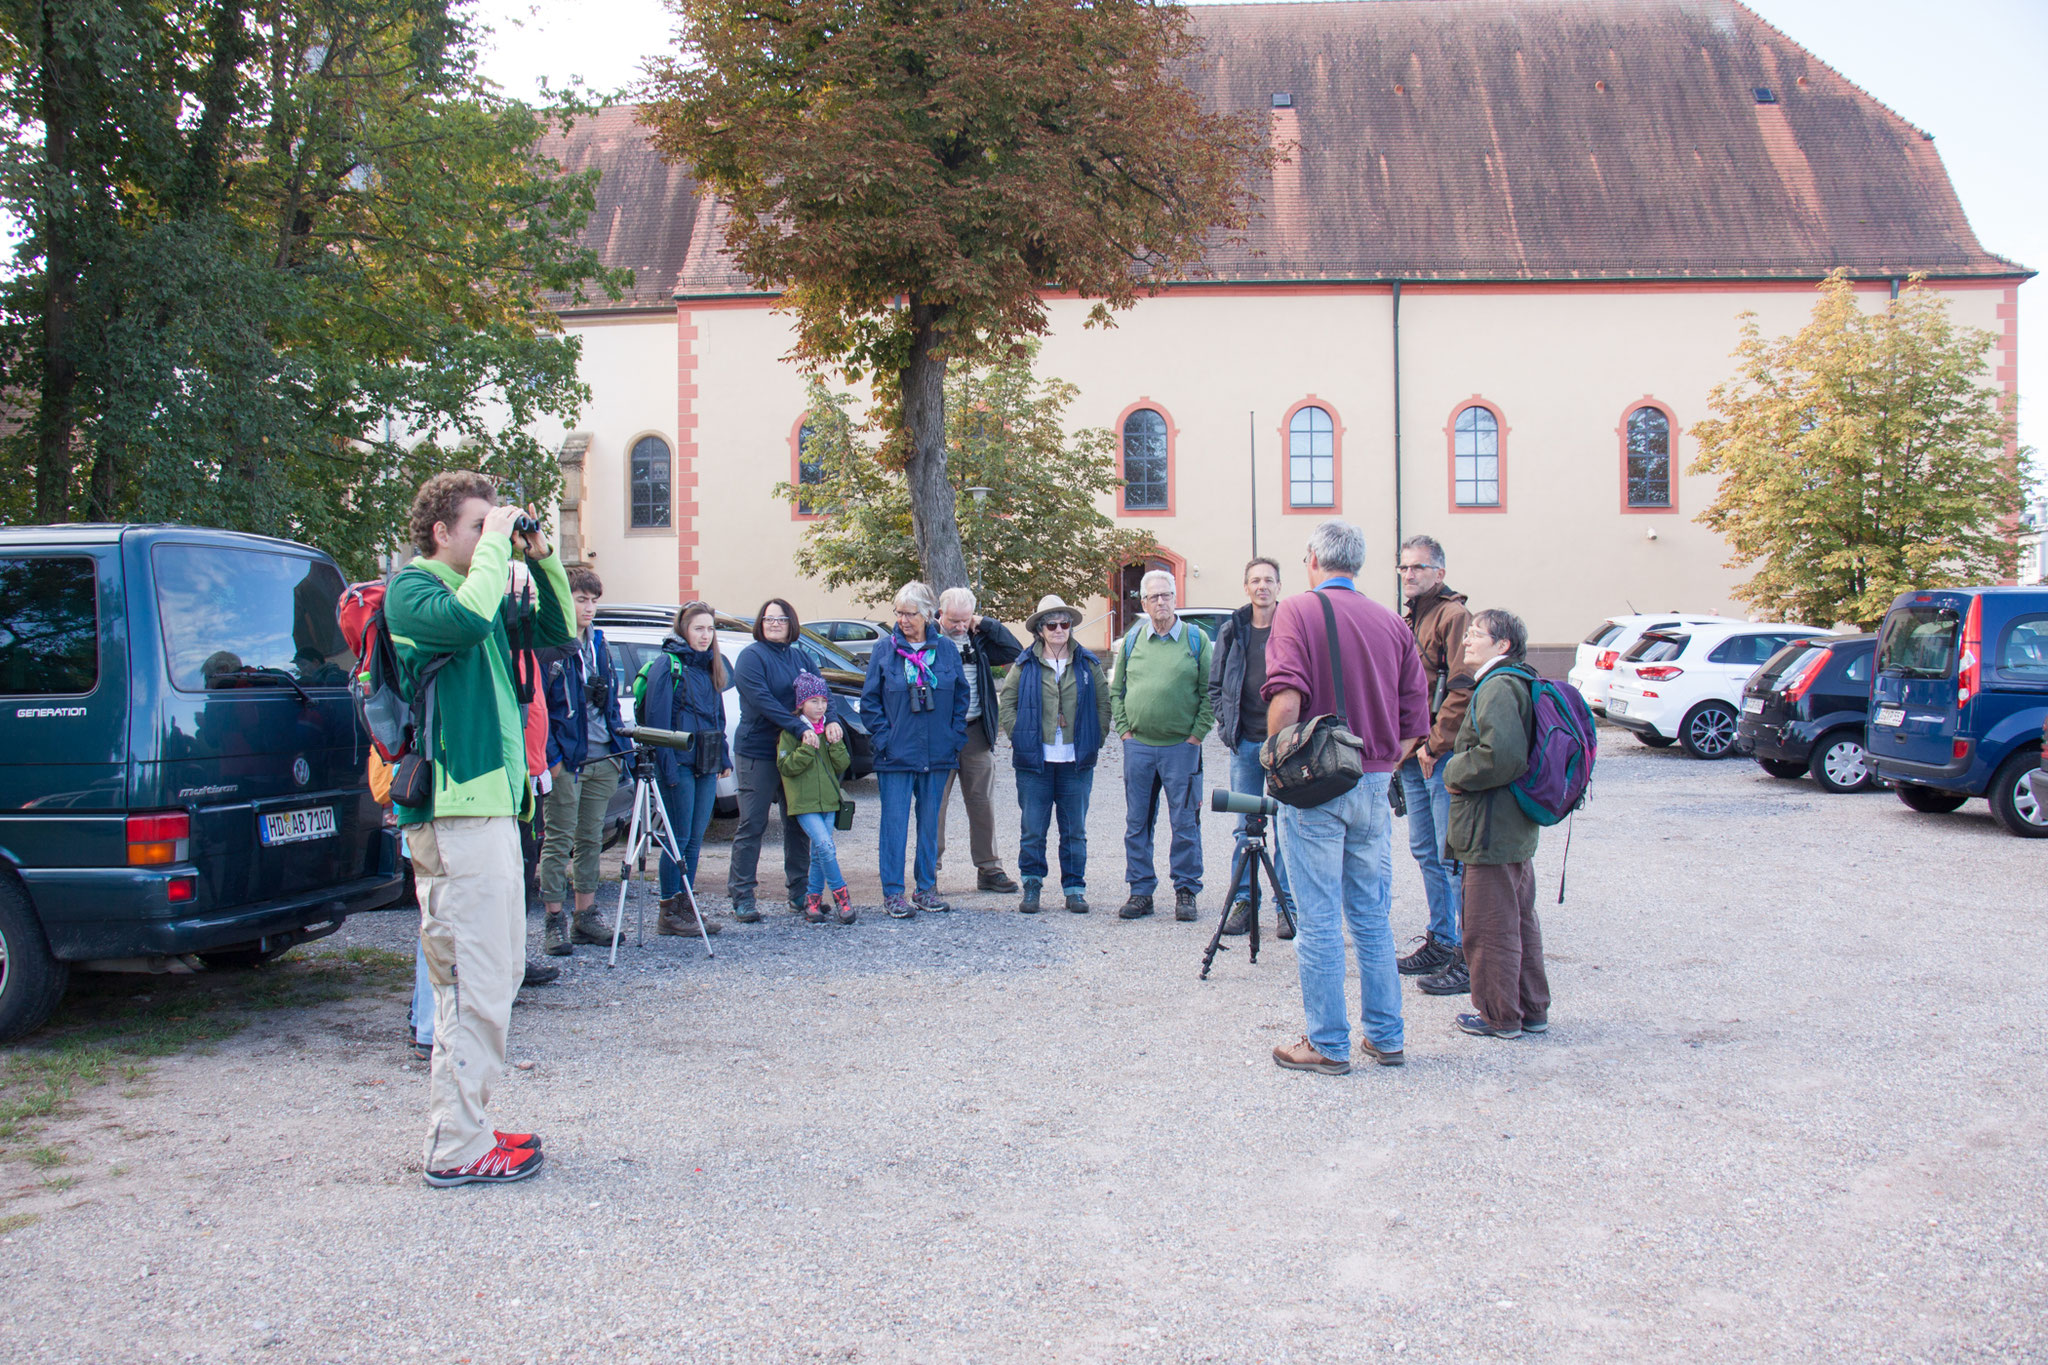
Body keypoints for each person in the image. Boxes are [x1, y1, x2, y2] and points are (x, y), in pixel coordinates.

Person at [384, 470, 573, 1186]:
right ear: (441, 532)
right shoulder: (416, 590)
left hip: (490, 807)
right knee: (472, 979)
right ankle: (457, 1146)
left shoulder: (481, 584)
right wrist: (498, 547)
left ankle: (468, 1125)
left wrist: (538, 551)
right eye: (476, 525)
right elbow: (463, 622)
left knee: (496, 973)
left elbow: (558, 629)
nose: (487, 535)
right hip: (452, 810)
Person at [1262, 519, 1429, 1076]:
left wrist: (1274, 759)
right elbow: (1415, 721)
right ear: (1356, 564)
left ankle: (1329, 1042)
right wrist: (1381, 764)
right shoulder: (1391, 620)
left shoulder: (1298, 611)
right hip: (1375, 780)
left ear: (1313, 558)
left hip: (1316, 781)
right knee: (1371, 916)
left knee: (1317, 918)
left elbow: (1286, 697)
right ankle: (1386, 1036)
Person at [1442, 609, 1551, 1040]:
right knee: (1518, 919)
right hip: (1509, 826)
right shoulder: (1515, 681)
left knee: (1488, 927)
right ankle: (1530, 1009)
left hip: (1490, 826)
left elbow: (1501, 756)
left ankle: (1500, 1016)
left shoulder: (1498, 687)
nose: (1467, 639)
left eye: (1477, 633)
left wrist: (1454, 770)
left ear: (1502, 645)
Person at [1392, 534, 1476, 995]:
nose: (1409, 574)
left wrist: (1434, 745)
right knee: (1426, 852)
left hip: (1438, 758)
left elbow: (1462, 687)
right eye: (1404, 568)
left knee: (1451, 858)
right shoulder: (1412, 617)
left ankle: (1467, 953)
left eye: (1418, 568)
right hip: (1411, 755)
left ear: (1439, 573)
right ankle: (1441, 940)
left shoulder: (1453, 615)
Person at [729, 598, 842, 922]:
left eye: (781, 619)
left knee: (798, 822)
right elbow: (762, 700)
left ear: (791, 623)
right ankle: (742, 896)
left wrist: (830, 718)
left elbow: (823, 694)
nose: (774, 623)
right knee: (753, 823)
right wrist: (800, 725)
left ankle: (800, 893)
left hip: (798, 750)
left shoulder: (801, 656)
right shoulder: (751, 657)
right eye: (768, 618)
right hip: (759, 751)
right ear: (760, 623)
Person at [997, 595, 1112, 914]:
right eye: (1052, 624)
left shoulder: (1087, 663)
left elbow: (1104, 703)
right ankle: (1031, 885)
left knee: (1074, 829)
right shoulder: (1024, 663)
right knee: (1033, 827)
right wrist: (1019, 736)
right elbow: (1007, 703)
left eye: (1065, 623)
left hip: (1076, 763)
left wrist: (1095, 739)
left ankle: (1074, 888)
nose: (1060, 629)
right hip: (1035, 763)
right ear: (1040, 630)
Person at [1110, 569, 1214, 922]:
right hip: (1138, 747)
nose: (1161, 602)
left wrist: (1196, 737)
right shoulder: (1133, 641)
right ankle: (1140, 891)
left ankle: (1186, 890)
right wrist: (1125, 732)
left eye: (1166, 595)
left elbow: (1210, 694)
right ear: (1144, 602)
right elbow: (1116, 690)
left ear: (1175, 597)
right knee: (1137, 822)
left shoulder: (1196, 640)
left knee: (1184, 822)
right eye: (1153, 597)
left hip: (1181, 749)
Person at [861, 580, 968, 918]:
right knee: (894, 825)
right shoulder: (884, 650)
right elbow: (870, 703)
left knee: (929, 824)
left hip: (937, 753)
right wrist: (885, 740)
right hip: (896, 754)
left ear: (927, 615)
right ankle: (893, 893)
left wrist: (953, 737)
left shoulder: (947, 649)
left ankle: (926, 888)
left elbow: (961, 697)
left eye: (910, 614)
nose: (903, 620)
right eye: (899, 613)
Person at [536, 566, 628, 955]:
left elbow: (610, 698)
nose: (589, 607)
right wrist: (552, 761)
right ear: (564, 599)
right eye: (581, 599)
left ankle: (585, 917)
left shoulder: (599, 642)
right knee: (558, 840)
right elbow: (537, 706)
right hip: (566, 762)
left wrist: (616, 749)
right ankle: (553, 920)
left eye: (593, 600)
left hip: (602, 755)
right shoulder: (551, 645)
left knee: (591, 838)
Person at [633, 601, 731, 937]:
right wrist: (668, 771)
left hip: (705, 763)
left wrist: (725, 758)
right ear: (684, 630)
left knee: (694, 838)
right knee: (679, 837)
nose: (705, 635)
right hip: (678, 765)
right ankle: (668, 910)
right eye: (698, 628)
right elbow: (658, 725)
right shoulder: (667, 665)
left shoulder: (709, 667)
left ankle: (685, 905)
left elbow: (716, 718)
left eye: (710, 629)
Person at [1210, 557, 1293, 935]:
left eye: (1269, 580)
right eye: (1255, 580)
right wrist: (1227, 728)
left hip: (1287, 746)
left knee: (1288, 826)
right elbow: (1216, 686)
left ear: (1279, 586)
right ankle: (1244, 901)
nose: (1262, 586)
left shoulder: (1294, 626)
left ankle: (1285, 905)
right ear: (1246, 587)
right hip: (1245, 743)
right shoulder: (1233, 630)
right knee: (1245, 828)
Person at [935, 587, 1024, 894]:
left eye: (964, 620)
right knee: (935, 804)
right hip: (939, 735)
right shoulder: (928, 639)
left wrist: (985, 623)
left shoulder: (979, 638)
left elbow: (1015, 652)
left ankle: (989, 868)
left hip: (975, 731)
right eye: (952, 620)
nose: (959, 627)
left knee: (982, 802)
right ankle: (928, 872)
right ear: (940, 613)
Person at [777, 672, 857, 925]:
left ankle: (812, 902)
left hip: (829, 802)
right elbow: (786, 767)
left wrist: (835, 744)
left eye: (823, 701)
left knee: (819, 853)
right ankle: (842, 897)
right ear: (801, 704)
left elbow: (842, 764)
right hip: (804, 803)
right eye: (813, 701)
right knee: (824, 846)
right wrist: (805, 748)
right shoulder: (792, 732)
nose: (820, 706)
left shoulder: (829, 729)